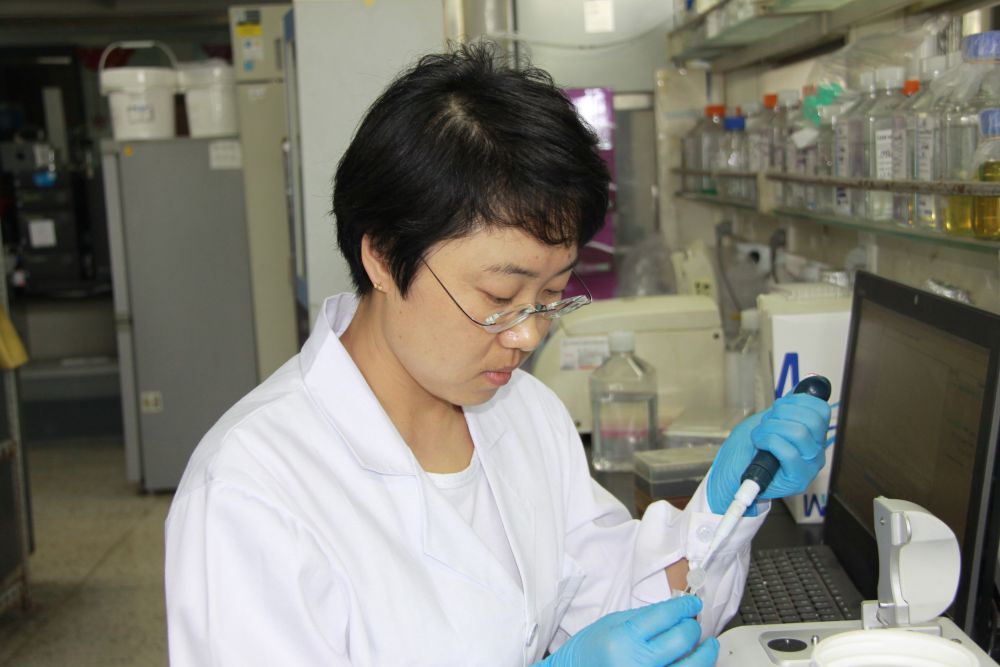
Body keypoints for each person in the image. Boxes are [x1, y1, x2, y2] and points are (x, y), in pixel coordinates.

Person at [164, 41, 831, 666]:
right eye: (500, 295)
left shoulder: (524, 412)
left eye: (551, 295)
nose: (528, 336)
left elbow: (616, 606)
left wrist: (725, 507)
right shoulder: (252, 491)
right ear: (383, 257)